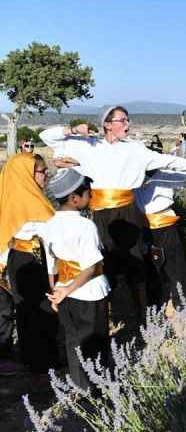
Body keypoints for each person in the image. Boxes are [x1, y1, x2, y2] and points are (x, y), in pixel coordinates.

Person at [39, 106, 186, 335]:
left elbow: (164, 161)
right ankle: (117, 315)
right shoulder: (89, 146)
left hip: (129, 213)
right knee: (107, 265)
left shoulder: (135, 150)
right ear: (107, 124)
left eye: (128, 120)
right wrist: (73, 129)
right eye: (122, 120)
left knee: (135, 266)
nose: (128, 125)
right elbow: (46, 136)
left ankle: (141, 319)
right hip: (102, 215)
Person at [43, 168, 111, 392]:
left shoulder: (49, 225)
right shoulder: (85, 226)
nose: (91, 196)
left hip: (64, 292)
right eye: (88, 193)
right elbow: (91, 267)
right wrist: (68, 288)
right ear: (74, 198)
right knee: (95, 342)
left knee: (74, 342)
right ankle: (98, 390)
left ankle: (81, 389)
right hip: (89, 293)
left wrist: (57, 292)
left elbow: (52, 264)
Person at [0, 153, 59, 375]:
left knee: (25, 308)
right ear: (27, 175)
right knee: (38, 306)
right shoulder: (29, 200)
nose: (47, 176)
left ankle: (33, 357)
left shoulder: (8, 193)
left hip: (16, 257)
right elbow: (51, 231)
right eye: (43, 172)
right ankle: (41, 360)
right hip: (31, 257)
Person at [135, 168, 186, 309]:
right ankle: (154, 305)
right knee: (150, 268)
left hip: (165, 223)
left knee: (174, 264)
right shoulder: (132, 172)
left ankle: (181, 302)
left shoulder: (165, 173)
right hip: (143, 226)